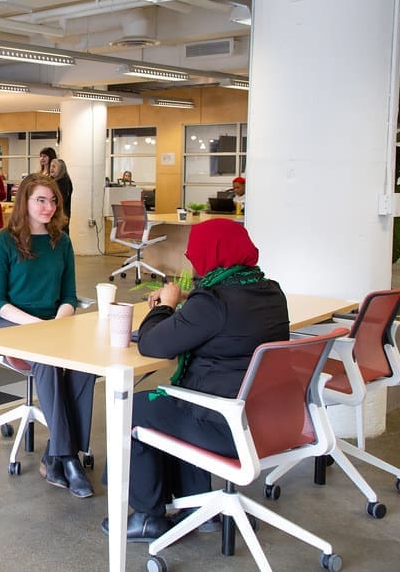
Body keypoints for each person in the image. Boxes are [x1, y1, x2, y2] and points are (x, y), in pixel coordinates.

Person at [105, 218, 289, 542]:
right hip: (266, 419)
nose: (192, 259)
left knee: (136, 407)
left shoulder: (213, 303)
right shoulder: (270, 291)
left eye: (195, 253)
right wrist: (193, 299)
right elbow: (226, 320)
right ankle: (196, 507)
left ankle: (147, 515)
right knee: (178, 398)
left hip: (224, 424)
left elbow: (151, 344)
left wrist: (165, 306)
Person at [0, 173, 93, 498]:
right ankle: (67, 457)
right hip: (10, 325)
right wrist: (36, 326)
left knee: (86, 363)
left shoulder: (62, 240)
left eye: (53, 200)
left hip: (51, 324)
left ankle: (57, 452)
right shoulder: (4, 241)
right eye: (41, 200)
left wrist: (59, 321)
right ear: (25, 203)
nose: (49, 207)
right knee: (47, 360)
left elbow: (69, 296)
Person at [50, 158, 73, 235]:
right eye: (50, 166)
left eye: (54, 166)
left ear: (61, 169)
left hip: (60, 219)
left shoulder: (63, 182)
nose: (51, 169)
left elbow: (60, 201)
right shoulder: (55, 181)